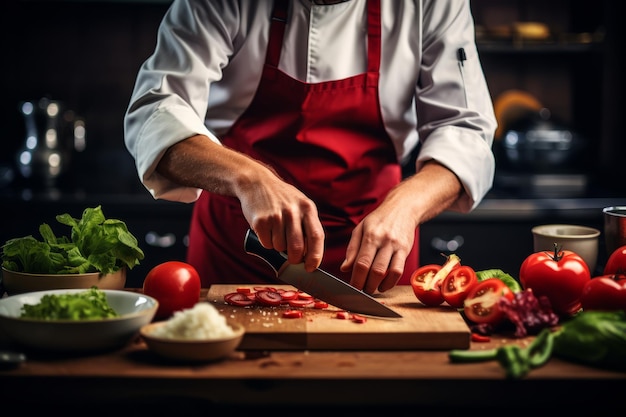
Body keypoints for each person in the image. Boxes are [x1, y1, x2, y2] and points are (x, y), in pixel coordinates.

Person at [124, 0, 496, 294]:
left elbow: (465, 129)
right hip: (242, 245)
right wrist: (250, 179)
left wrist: (405, 207)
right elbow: (156, 110)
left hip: (374, 253)